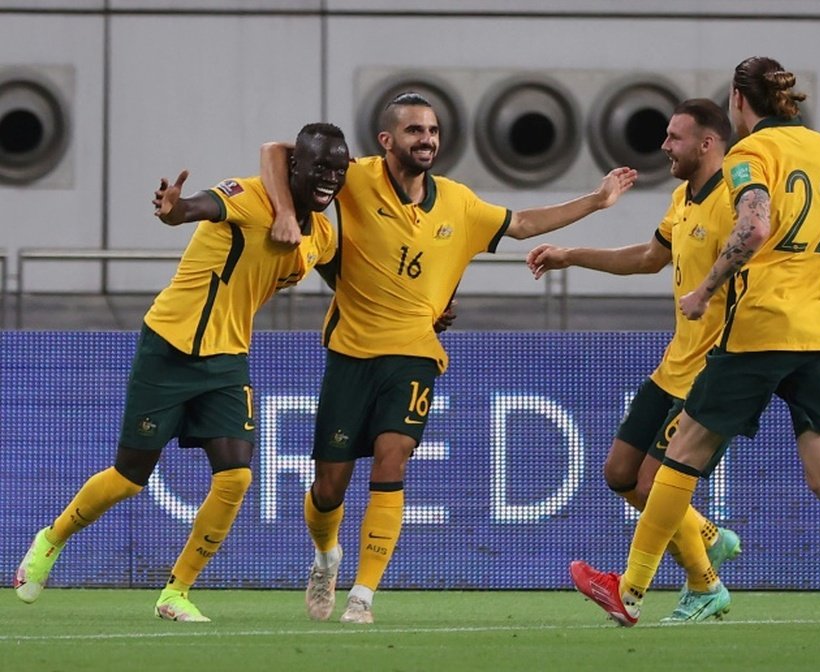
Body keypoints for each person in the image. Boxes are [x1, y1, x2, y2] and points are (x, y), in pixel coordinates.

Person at [569, 56, 820, 627]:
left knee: (679, 457)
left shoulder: (751, 155)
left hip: (760, 328)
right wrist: (809, 269)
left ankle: (632, 591)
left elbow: (755, 225)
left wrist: (707, 287)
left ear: (740, 102)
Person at [260, 92, 637, 624]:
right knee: (328, 488)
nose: (427, 140)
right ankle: (326, 556)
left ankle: (363, 596)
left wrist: (596, 201)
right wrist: (282, 212)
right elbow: (278, 150)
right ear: (387, 140)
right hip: (351, 353)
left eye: (433, 131)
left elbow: (524, 223)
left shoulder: (458, 203)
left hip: (415, 355)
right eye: (415, 131)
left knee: (393, 461)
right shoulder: (356, 178)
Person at [14, 123, 351, 622]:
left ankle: (176, 592)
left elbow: (350, 279)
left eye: (339, 171)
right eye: (319, 167)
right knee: (130, 478)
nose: (329, 179)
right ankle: (51, 538)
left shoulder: (320, 234)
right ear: (294, 166)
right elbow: (191, 209)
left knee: (235, 477)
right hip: (169, 346)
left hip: (227, 359)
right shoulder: (248, 196)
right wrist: (172, 207)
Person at [526, 99, 741, 621]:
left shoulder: (739, 200)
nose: (665, 146)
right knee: (621, 474)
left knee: (652, 484)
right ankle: (705, 536)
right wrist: (570, 254)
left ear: (707, 143)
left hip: (713, 372)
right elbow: (650, 258)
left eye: (675, 137)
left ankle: (701, 583)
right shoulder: (683, 198)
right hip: (673, 366)